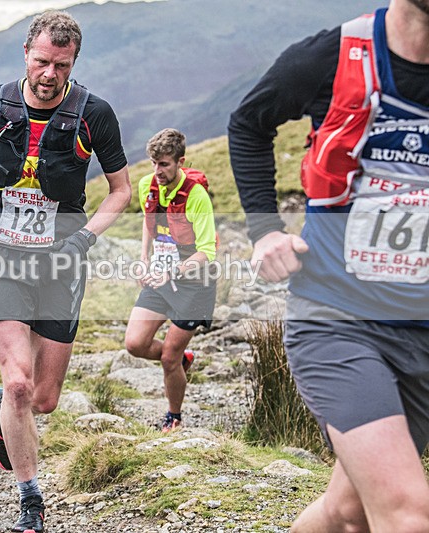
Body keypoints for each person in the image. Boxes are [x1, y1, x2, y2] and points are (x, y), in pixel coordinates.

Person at [228, 1, 429, 530]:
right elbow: (249, 121)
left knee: (348, 512)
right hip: (337, 319)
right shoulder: (336, 53)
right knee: (409, 513)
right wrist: (265, 229)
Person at [0, 10, 131, 532]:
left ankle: (3, 403)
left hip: (61, 263)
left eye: (61, 65)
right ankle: (30, 499)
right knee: (22, 383)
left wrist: (87, 237)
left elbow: (122, 190)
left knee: (41, 399)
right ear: (26, 54)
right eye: (42, 61)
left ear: (74, 63)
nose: (50, 74)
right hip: (1, 256)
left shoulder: (95, 115)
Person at [124, 128, 217, 432]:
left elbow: (207, 253)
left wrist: (171, 271)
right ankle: (183, 360)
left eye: (164, 164)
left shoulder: (196, 195)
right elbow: (148, 222)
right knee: (135, 344)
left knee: (167, 359)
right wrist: (144, 257)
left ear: (180, 161)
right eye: (153, 163)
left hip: (193, 286)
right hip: (161, 278)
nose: (157, 171)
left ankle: (173, 416)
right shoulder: (147, 185)